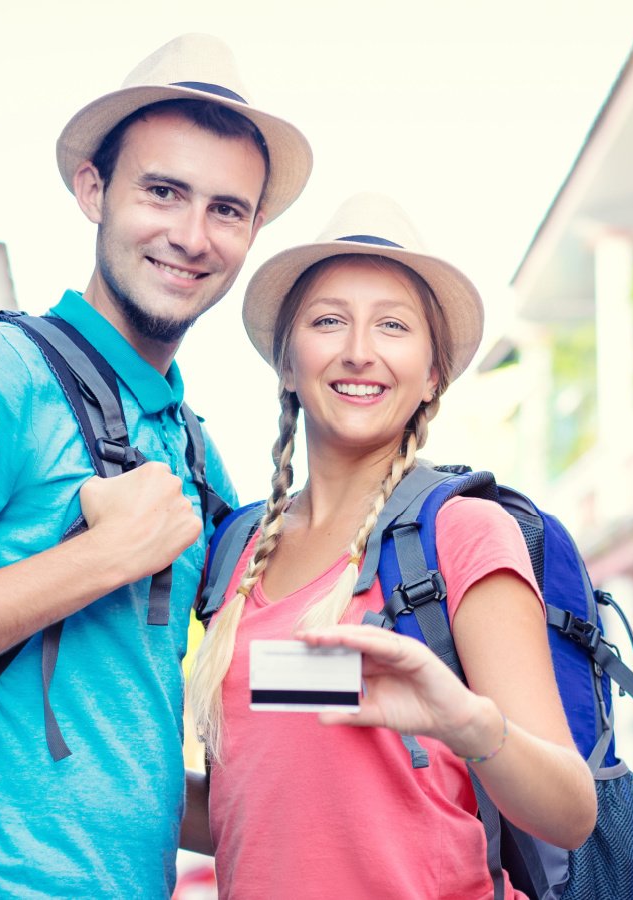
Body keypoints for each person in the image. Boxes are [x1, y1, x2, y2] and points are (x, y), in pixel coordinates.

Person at [0, 33, 311, 899]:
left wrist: (418, 709)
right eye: (163, 191)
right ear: (94, 191)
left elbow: (177, 723)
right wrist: (100, 559)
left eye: (227, 210)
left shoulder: (192, 449)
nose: (191, 236)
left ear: (253, 230)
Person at [181, 193, 597, 899]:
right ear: (288, 361)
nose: (359, 351)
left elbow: (569, 811)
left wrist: (467, 723)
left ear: (433, 373)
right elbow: (257, 806)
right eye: (328, 321)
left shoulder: (461, 535)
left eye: (393, 326)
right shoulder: (236, 555)